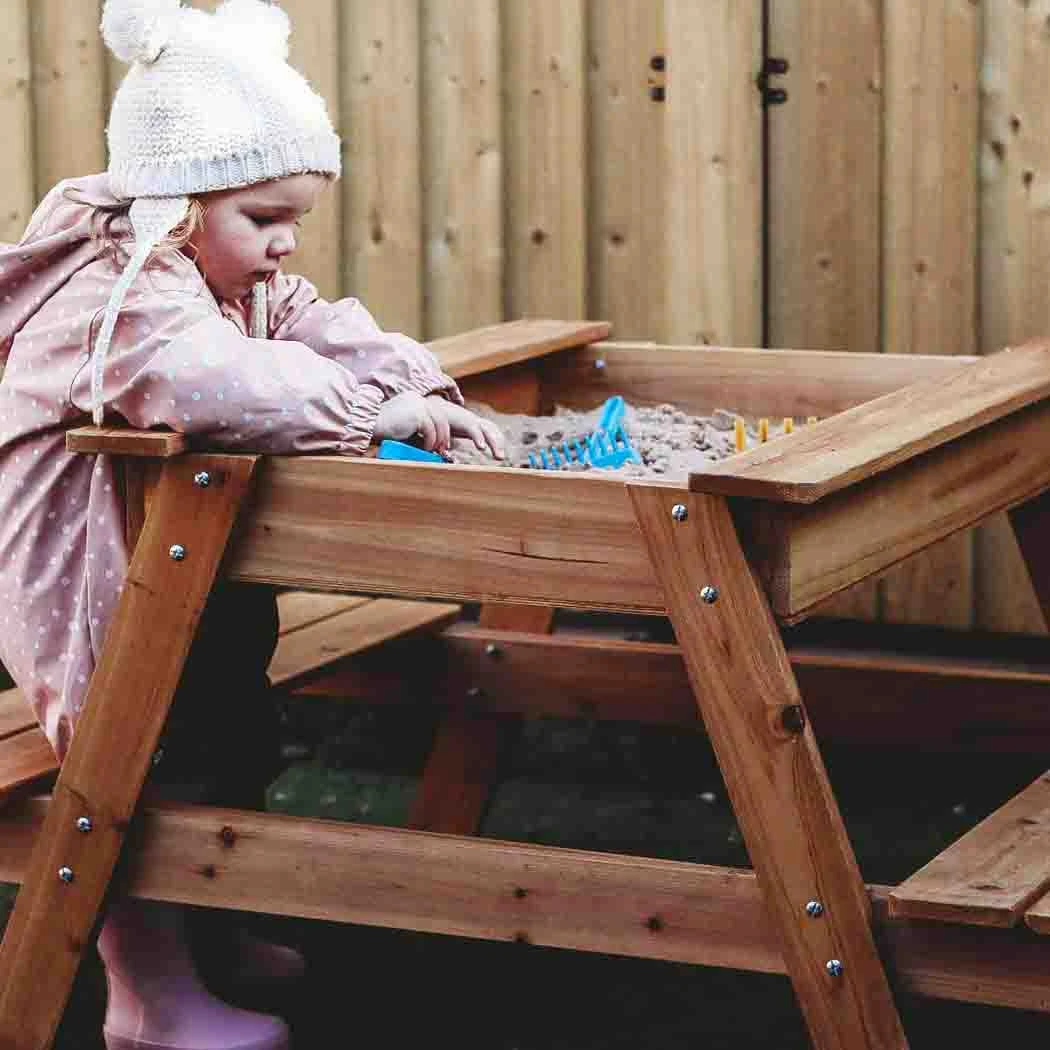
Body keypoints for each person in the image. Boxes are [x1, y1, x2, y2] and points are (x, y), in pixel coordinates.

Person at [0, 2, 503, 1049]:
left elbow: (313, 325)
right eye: (264, 219)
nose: (283, 247)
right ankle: (148, 997)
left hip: (179, 565)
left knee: (227, 733)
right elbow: (208, 381)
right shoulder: (121, 289)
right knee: (137, 753)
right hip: (88, 570)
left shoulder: (214, 271)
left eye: (295, 221)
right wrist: (372, 416)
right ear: (179, 202)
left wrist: (413, 383)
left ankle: (212, 940)